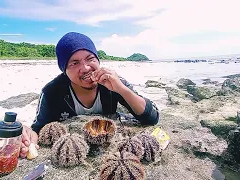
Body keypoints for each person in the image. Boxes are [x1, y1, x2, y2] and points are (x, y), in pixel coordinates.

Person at [19, 32, 159, 158]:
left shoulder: (112, 81)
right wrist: (27, 135)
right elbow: (38, 129)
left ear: (98, 60)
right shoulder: (52, 92)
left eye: (90, 58)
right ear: (64, 70)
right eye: (74, 63)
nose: (85, 68)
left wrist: (122, 89)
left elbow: (152, 117)